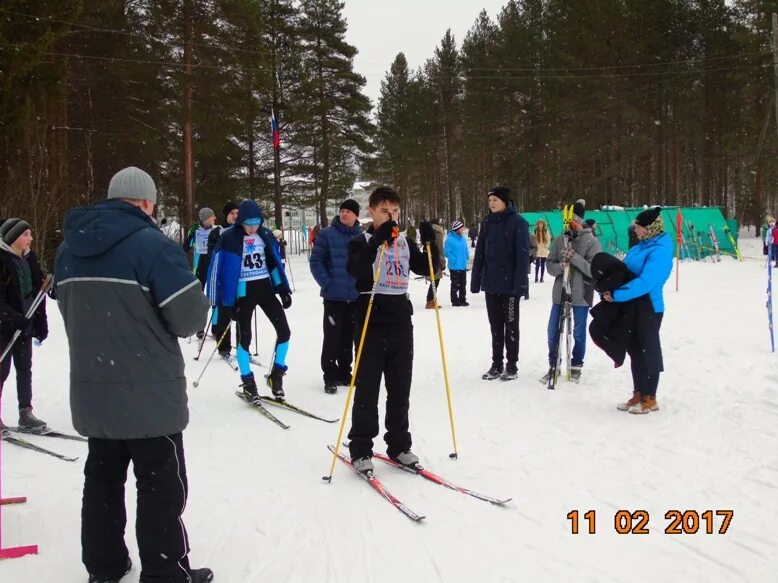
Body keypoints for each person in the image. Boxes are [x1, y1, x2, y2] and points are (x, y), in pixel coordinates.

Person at [53, 166, 213, 583]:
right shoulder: (153, 246)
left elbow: (70, 310)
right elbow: (189, 317)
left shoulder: (68, 249)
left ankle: (104, 567)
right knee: (160, 486)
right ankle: (165, 572)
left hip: (94, 389)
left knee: (102, 481)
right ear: (146, 203)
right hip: (149, 394)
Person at [346, 186, 437, 473]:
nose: (391, 217)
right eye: (385, 211)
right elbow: (355, 269)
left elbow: (430, 268)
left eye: (395, 211)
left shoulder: (404, 242)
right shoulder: (360, 240)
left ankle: (399, 444)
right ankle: (361, 447)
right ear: (371, 211)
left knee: (400, 388)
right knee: (368, 388)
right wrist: (376, 242)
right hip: (371, 319)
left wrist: (431, 243)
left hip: (400, 319)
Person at [207, 200, 292, 400]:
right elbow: (216, 269)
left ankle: (277, 375)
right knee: (244, 339)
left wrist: (283, 290)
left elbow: (274, 264)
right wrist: (224, 302)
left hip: (265, 288)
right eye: (249, 223)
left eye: (256, 223)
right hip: (243, 291)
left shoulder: (265, 234)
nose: (253, 227)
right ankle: (248, 381)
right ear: (241, 222)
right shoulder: (228, 238)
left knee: (285, 332)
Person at [601, 206, 673, 414]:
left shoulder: (660, 251)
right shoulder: (638, 248)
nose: (636, 230)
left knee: (647, 350)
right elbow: (625, 272)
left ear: (651, 228)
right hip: (632, 306)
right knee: (635, 350)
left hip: (650, 307)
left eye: (640, 226)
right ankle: (639, 393)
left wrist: (618, 294)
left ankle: (650, 398)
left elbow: (646, 282)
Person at [471, 186, 530, 381]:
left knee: (511, 325)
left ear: (505, 201)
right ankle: (496, 363)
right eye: (489, 201)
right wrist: (476, 279)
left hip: (510, 285)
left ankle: (511, 365)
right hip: (491, 283)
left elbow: (522, 256)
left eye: (495, 200)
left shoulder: (518, 223)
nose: (491, 204)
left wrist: (520, 285)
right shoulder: (487, 222)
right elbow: (480, 251)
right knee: (495, 325)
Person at [541, 200, 601, 384]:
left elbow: (594, 270)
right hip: (560, 294)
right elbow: (549, 265)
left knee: (578, 332)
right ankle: (553, 363)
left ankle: (576, 365)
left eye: (574, 221)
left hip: (581, 293)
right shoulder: (560, 240)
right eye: (568, 221)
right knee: (553, 330)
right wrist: (561, 266)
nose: (570, 225)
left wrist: (574, 258)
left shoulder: (592, 242)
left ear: (580, 221)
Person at [309, 199, 362, 394]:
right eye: (342, 211)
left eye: (348, 211)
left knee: (349, 337)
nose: (344, 214)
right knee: (332, 337)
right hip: (333, 297)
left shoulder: (362, 236)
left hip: (355, 297)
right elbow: (316, 261)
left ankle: (344, 372)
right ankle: (330, 376)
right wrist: (327, 283)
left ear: (356, 215)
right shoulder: (327, 235)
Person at [0, 218, 48, 433]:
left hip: (25, 324)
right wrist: (13, 318)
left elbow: (39, 290)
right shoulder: (2, 260)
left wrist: (40, 323)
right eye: (25, 234)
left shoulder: (30, 260)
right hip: (5, 326)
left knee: (24, 368)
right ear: (12, 238)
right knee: (2, 369)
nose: (30, 238)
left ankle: (25, 412)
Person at [208, 202, 239, 358]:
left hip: (240, 279)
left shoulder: (242, 231)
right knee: (224, 314)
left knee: (242, 314)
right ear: (226, 215)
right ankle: (223, 346)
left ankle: (243, 346)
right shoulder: (217, 232)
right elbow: (212, 256)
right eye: (232, 213)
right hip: (223, 280)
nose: (235, 216)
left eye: (237, 213)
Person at [184, 207, 216, 339]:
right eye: (211, 217)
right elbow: (186, 246)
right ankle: (199, 327)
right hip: (200, 266)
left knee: (214, 296)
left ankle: (215, 326)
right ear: (205, 219)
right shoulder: (195, 230)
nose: (214, 219)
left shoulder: (216, 230)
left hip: (213, 264)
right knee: (200, 297)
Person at [444, 219, 469, 307]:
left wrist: (467, 255)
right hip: (454, 266)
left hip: (462, 265)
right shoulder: (450, 240)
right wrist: (453, 259)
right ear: (457, 229)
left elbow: (465, 248)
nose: (463, 229)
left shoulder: (462, 238)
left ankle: (462, 299)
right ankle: (455, 300)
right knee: (455, 284)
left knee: (463, 283)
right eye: (462, 228)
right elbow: (446, 252)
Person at [425, 219, 446, 309]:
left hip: (429, 257)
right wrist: (442, 262)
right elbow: (440, 249)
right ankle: (430, 300)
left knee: (433, 280)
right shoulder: (438, 233)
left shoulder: (428, 233)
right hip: (436, 259)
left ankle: (431, 299)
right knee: (435, 281)